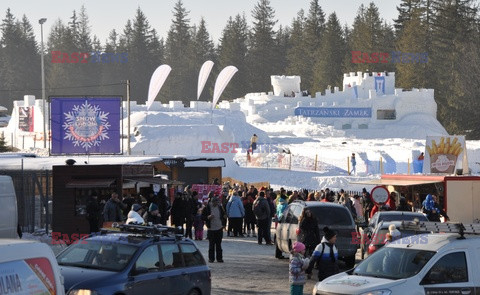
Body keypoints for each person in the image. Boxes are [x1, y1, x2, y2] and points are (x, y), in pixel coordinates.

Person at [202, 196, 227, 262]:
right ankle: (211, 258)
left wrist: (224, 220)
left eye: (217, 202)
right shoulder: (207, 208)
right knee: (211, 245)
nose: (216, 203)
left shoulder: (219, 207)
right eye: (215, 202)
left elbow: (223, 215)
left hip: (219, 228)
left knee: (219, 244)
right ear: (212, 202)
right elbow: (202, 216)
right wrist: (208, 217)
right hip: (211, 229)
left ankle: (219, 258)